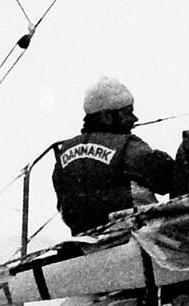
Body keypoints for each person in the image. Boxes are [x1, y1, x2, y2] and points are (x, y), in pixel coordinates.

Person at [52, 76, 174, 235]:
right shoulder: (127, 146)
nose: (134, 119)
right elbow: (169, 178)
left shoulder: (64, 152)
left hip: (84, 242)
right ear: (106, 116)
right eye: (127, 113)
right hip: (133, 240)